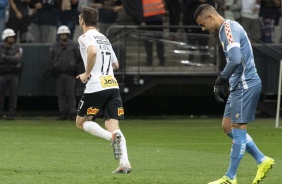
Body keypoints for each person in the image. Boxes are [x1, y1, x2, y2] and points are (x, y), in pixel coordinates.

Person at [194, 4, 275, 184]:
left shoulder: (229, 28)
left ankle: (230, 177)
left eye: (202, 24)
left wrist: (221, 79)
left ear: (211, 17)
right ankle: (262, 160)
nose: (203, 28)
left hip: (246, 85)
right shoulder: (225, 29)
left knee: (238, 130)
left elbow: (235, 59)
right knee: (227, 126)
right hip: (239, 85)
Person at [75, 7, 131, 173]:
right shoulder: (104, 38)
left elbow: (92, 52)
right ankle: (125, 163)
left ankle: (110, 137)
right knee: (113, 125)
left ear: (82, 20)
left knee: (81, 122)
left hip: (96, 86)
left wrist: (86, 73)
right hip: (112, 85)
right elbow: (116, 64)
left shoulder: (85, 37)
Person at [50, 25, 81, 121]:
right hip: (59, 73)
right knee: (61, 94)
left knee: (70, 94)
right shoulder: (55, 46)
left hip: (70, 73)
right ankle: (63, 112)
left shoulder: (74, 45)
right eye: (61, 35)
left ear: (68, 35)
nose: (63, 36)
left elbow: (78, 58)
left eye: (65, 34)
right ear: (59, 36)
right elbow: (51, 57)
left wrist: (73, 66)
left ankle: (72, 112)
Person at [0, 28, 23, 120]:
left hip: (14, 74)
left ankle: (11, 113)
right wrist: (11, 58)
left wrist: (5, 57)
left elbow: (17, 59)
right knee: (1, 95)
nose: (12, 39)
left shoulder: (18, 47)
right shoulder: (0, 47)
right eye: (10, 37)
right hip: (2, 74)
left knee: (13, 95)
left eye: (12, 37)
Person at [136, 0, 166, 66]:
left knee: (148, 42)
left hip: (148, 20)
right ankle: (162, 61)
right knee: (159, 42)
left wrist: (141, 20)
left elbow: (139, 7)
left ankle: (149, 61)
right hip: (158, 19)